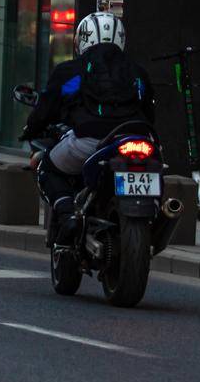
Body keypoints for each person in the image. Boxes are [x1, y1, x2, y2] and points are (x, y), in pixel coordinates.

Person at [20, 12, 154, 246]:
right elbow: (149, 110)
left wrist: (30, 130)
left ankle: (68, 214)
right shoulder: (138, 72)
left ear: (83, 39)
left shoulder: (72, 71)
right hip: (138, 139)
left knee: (47, 168)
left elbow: (47, 108)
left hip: (91, 142)